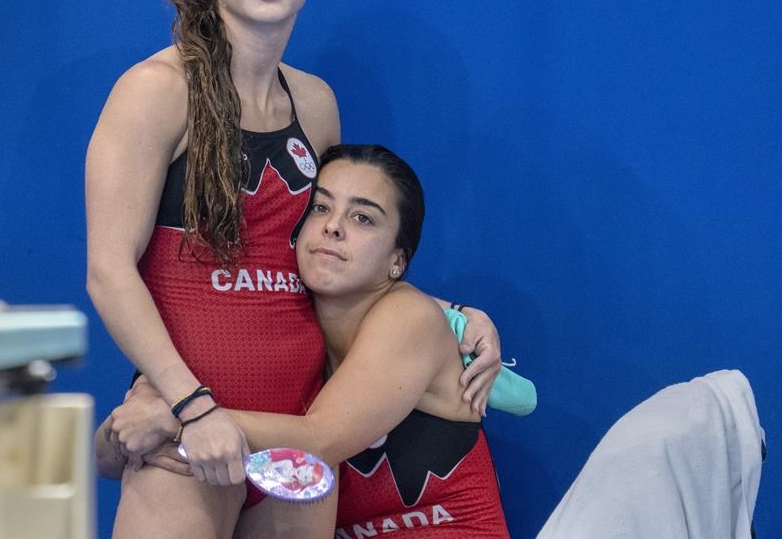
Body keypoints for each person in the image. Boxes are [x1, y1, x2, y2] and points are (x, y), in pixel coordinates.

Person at [85, 0, 502, 538]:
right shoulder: (154, 92)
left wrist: (447, 317)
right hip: (190, 434)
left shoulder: (315, 103)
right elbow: (108, 269)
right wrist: (191, 404)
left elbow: (328, 257)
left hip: (296, 444)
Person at [99, 145, 512, 537]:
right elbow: (107, 459)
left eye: (363, 218)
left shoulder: (410, 318)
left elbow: (321, 439)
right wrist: (136, 425)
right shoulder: (287, 334)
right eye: (320, 207)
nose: (333, 226)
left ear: (398, 260)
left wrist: (182, 415)